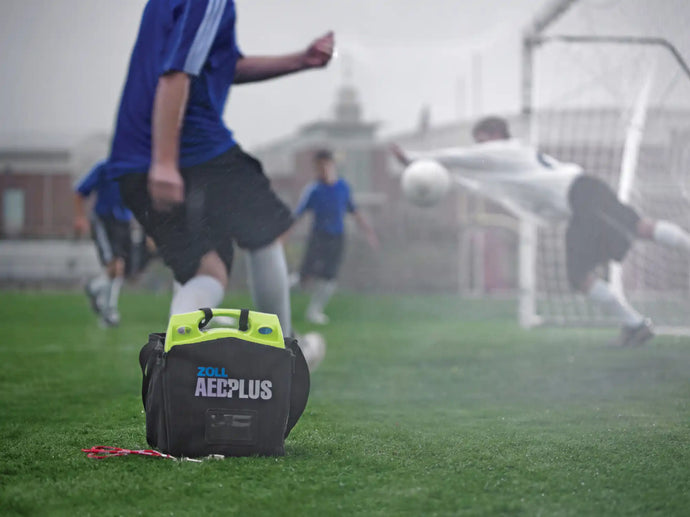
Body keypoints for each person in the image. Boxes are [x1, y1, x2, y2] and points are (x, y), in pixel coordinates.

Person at [101, 0, 333, 369]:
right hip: (190, 148)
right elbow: (176, 72)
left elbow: (223, 65)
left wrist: (299, 60)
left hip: (130, 161)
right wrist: (164, 160)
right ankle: (285, 358)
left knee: (206, 271)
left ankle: (173, 371)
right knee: (264, 229)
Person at [391, 116, 690, 347]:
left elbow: (461, 158)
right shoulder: (508, 163)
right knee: (586, 270)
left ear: (496, 135)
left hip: (581, 194)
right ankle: (635, 325)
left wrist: (414, 157)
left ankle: (636, 325)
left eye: (481, 140)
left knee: (634, 232)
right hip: (581, 198)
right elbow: (470, 173)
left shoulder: (506, 150)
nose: (480, 147)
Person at [286, 149, 379, 324]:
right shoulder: (313, 190)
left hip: (337, 238)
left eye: (325, 165)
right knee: (304, 277)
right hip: (318, 237)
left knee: (329, 277)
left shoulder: (343, 187)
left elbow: (355, 211)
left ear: (332, 165)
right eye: (318, 167)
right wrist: (283, 237)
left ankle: (314, 312)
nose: (322, 169)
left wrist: (369, 232)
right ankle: (277, 295)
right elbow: (298, 215)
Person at [74, 161, 134, 326]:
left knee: (119, 267)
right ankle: (109, 312)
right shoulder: (104, 169)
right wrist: (80, 217)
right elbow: (80, 192)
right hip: (104, 221)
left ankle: (95, 289)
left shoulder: (135, 169)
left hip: (123, 222)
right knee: (113, 265)